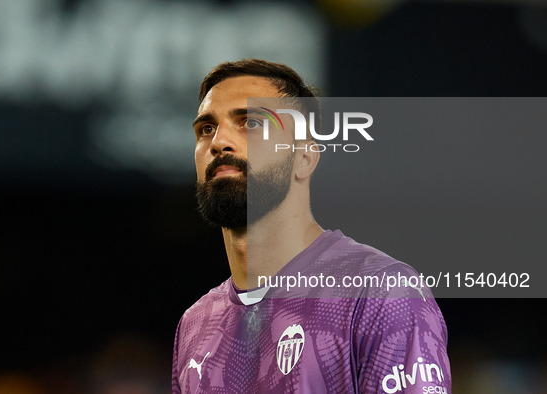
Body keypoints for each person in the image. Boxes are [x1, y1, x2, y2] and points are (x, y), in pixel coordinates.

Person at [172, 59, 451, 394]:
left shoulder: (380, 292)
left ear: (304, 158)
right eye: (206, 128)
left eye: (250, 123)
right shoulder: (195, 323)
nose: (219, 141)